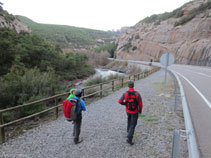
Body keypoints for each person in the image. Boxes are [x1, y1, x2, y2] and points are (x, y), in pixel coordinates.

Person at [118, 80, 143, 145]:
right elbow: (140, 104)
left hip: (128, 111)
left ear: (128, 86)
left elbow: (119, 101)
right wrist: (140, 111)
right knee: (133, 124)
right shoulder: (137, 94)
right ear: (133, 85)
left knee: (129, 120)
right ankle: (129, 138)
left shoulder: (125, 93)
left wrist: (125, 104)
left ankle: (128, 132)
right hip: (135, 112)